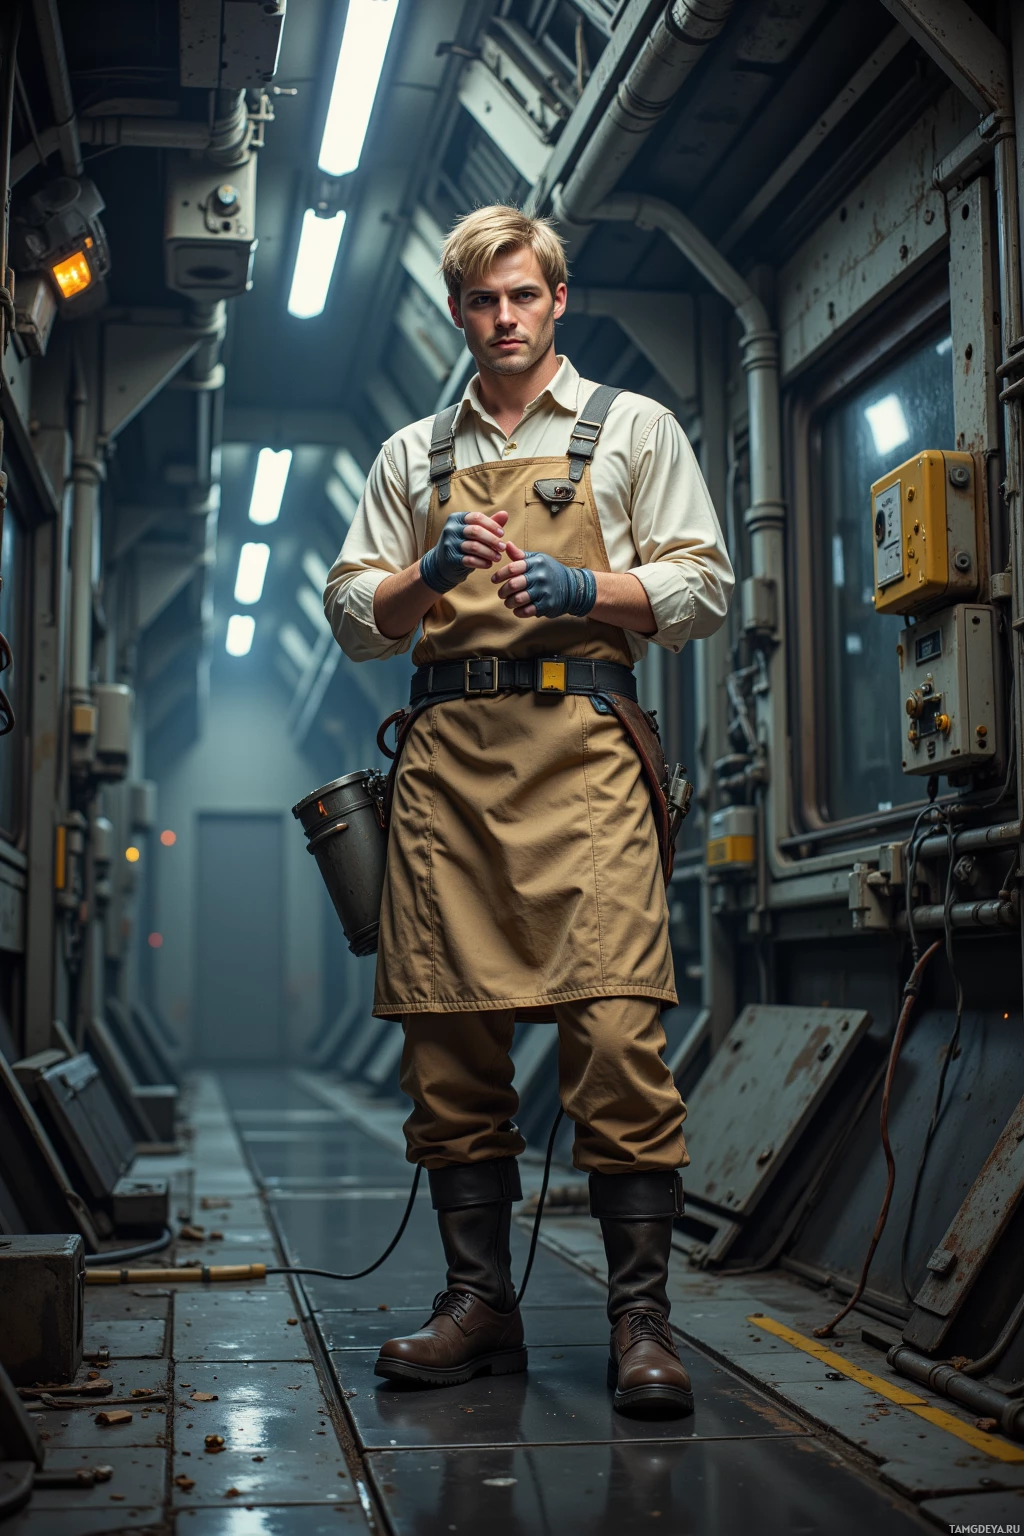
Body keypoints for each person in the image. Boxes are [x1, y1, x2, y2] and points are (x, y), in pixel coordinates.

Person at [324, 204, 733, 1418]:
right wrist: (425, 575)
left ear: (559, 300)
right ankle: (477, 1306)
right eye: (480, 302)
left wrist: (589, 585)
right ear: (458, 313)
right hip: (450, 765)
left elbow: (704, 580)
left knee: (614, 1039)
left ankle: (640, 1324)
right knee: (450, 1044)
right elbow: (352, 615)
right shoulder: (413, 455)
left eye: (521, 296)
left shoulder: (632, 429)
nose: (501, 319)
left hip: (590, 756)